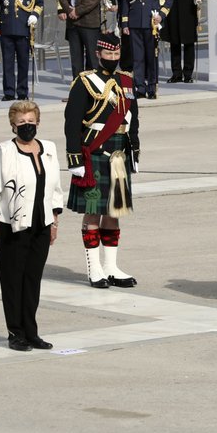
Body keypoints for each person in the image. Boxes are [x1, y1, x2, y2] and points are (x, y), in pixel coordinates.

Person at [0, 100, 62, 351]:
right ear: (13, 125)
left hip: (41, 223)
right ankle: (15, 333)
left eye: (31, 121)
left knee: (32, 280)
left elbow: (55, 188)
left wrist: (54, 221)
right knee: (12, 281)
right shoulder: (3, 151)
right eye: (21, 122)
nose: (27, 126)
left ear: (38, 122)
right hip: (11, 225)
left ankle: (31, 332)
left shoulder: (49, 149)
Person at [66, 34, 140, 288]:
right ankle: (94, 268)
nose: (113, 58)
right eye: (108, 54)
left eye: (116, 54)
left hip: (119, 154)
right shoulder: (85, 81)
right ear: (98, 54)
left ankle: (111, 267)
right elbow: (72, 122)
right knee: (93, 211)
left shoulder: (126, 80)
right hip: (95, 152)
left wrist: (135, 150)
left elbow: (133, 118)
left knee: (114, 211)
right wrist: (75, 157)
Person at [118, 0, 172, 98]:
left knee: (151, 56)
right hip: (135, 22)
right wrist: (125, 22)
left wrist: (161, 15)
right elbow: (126, 1)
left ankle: (152, 87)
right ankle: (140, 87)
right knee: (137, 57)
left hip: (151, 22)